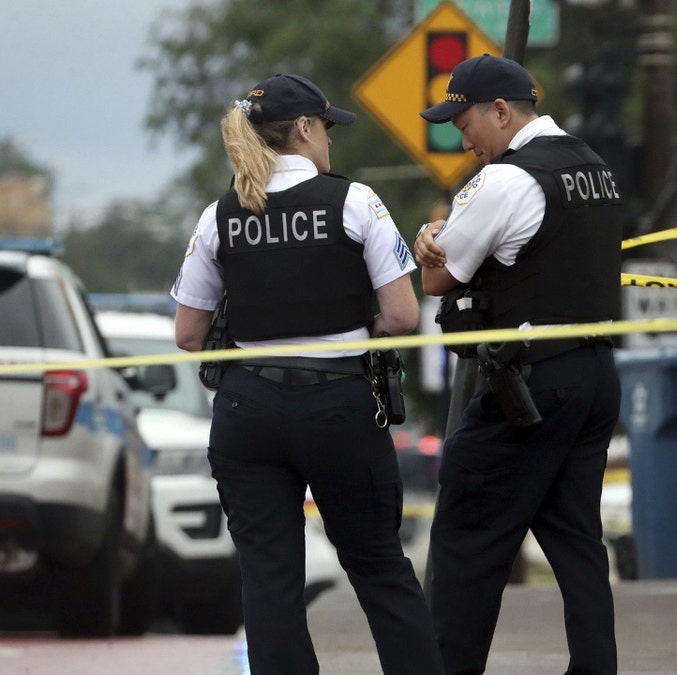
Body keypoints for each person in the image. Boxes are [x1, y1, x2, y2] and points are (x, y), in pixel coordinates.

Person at [171, 73, 444, 675]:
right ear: (302, 129)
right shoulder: (354, 201)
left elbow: (188, 335)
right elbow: (402, 316)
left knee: (269, 580)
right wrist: (358, 328)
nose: (330, 142)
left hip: (247, 412)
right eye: (326, 128)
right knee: (378, 568)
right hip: (339, 406)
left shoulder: (220, 213)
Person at [413, 54, 623, 675]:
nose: (462, 137)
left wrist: (430, 236)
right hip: (593, 376)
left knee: (465, 534)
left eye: (465, 120)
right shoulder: (595, 168)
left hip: (528, 385)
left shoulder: (506, 180)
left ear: (501, 112)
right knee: (577, 539)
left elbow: (439, 277)